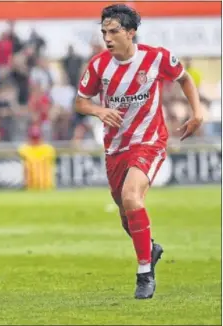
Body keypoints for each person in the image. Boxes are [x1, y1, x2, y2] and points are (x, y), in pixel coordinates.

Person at [75, 4, 203, 300]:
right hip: (115, 147)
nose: (107, 37)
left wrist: (197, 113)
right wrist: (98, 110)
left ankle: (144, 273)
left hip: (149, 141)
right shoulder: (98, 66)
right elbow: (81, 102)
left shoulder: (156, 57)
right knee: (125, 214)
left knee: (133, 197)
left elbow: (184, 77)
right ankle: (151, 249)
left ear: (130, 33)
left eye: (113, 31)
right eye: (104, 31)